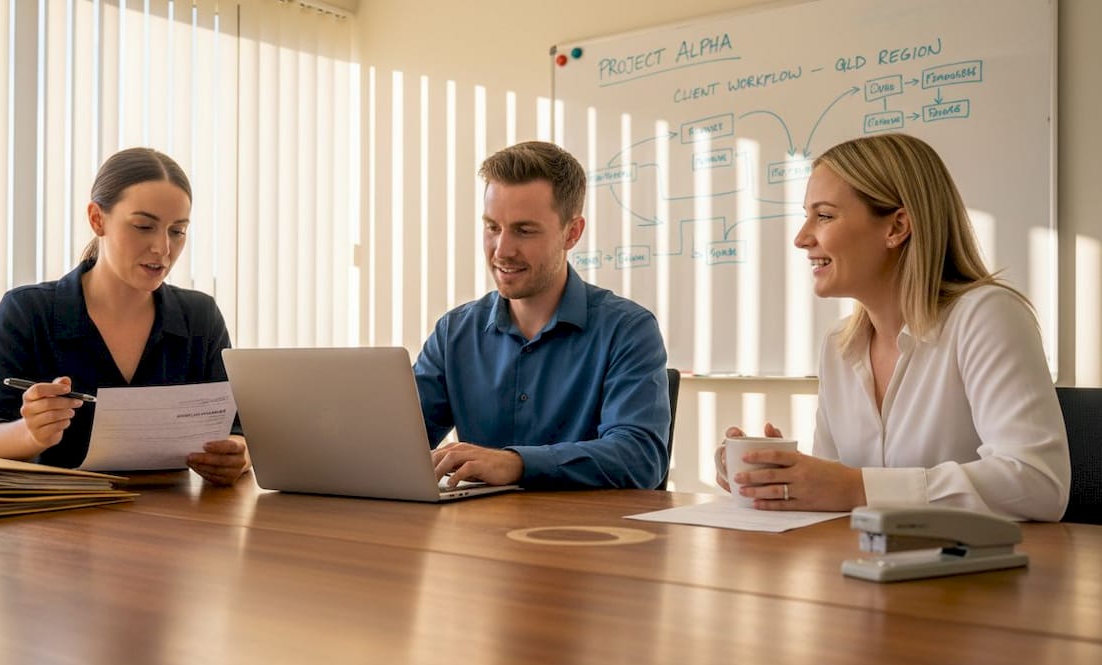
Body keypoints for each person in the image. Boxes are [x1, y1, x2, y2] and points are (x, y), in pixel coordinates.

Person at [716, 133, 1068, 521]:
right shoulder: (838, 346)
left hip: (974, 575)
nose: (801, 238)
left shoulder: (986, 316)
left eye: (825, 215)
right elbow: (834, 495)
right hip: (864, 569)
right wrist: (774, 478)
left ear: (897, 226)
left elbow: (1038, 483)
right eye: (806, 215)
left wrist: (856, 488)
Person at [0, 148, 250, 485]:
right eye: (143, 226)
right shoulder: (29, 311)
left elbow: (238, 429)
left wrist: (237, 454)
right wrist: (30, 434)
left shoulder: (200, 317)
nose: (162, 249)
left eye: (177, 231)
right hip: (57, 519)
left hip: (177, 523)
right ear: (97, 219)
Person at [413, 140, 671, 490]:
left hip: (586, 538)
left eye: (524, 230)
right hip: (478, 536)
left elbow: (641, 458)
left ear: (572, 233)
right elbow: (397, 442)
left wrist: (517, 464)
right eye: (492, 227)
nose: (502, 250)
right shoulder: (454, 332)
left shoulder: (627, 330)